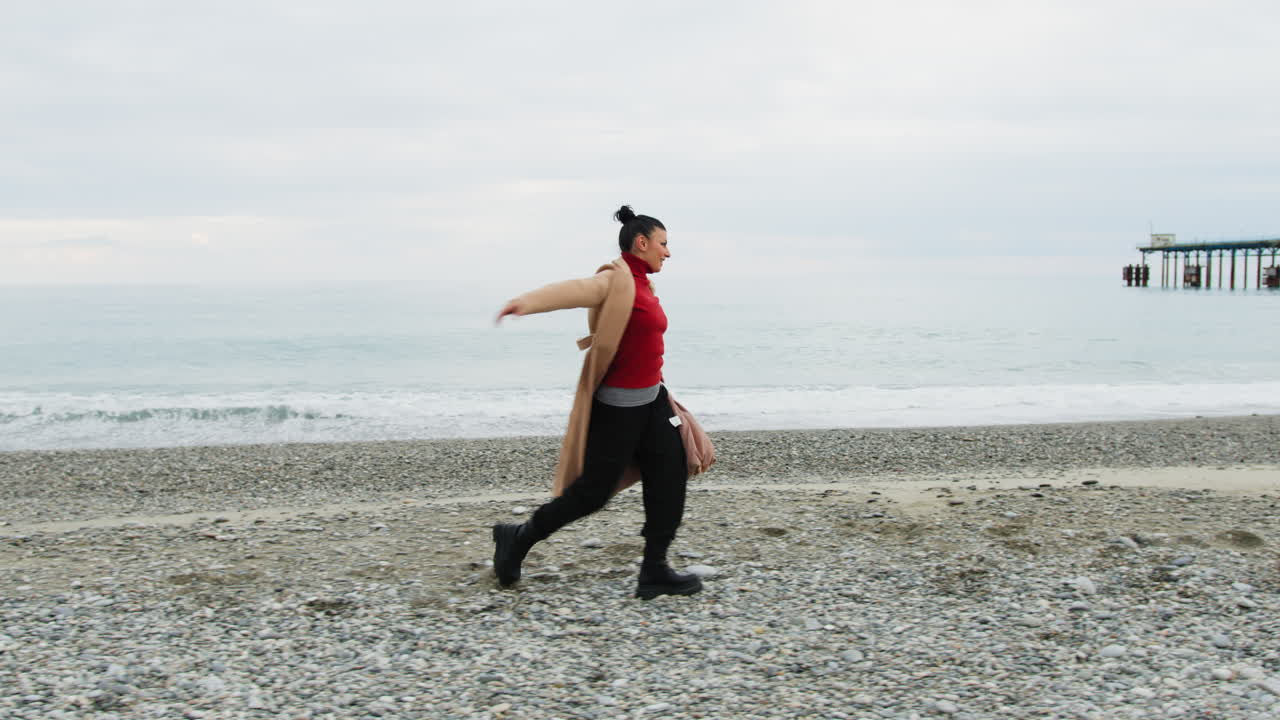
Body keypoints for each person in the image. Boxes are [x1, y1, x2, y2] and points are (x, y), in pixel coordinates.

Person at [491, 205, 708, 599]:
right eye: (663, 244)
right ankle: (518, 538)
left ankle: (655, 570)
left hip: (653, 400)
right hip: (620, 409)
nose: (668, 252)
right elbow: (575, 290)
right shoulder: (616, 279)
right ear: (641, 244)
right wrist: (525, 302)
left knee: (670, 475)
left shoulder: (645, 283)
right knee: (591, 492)